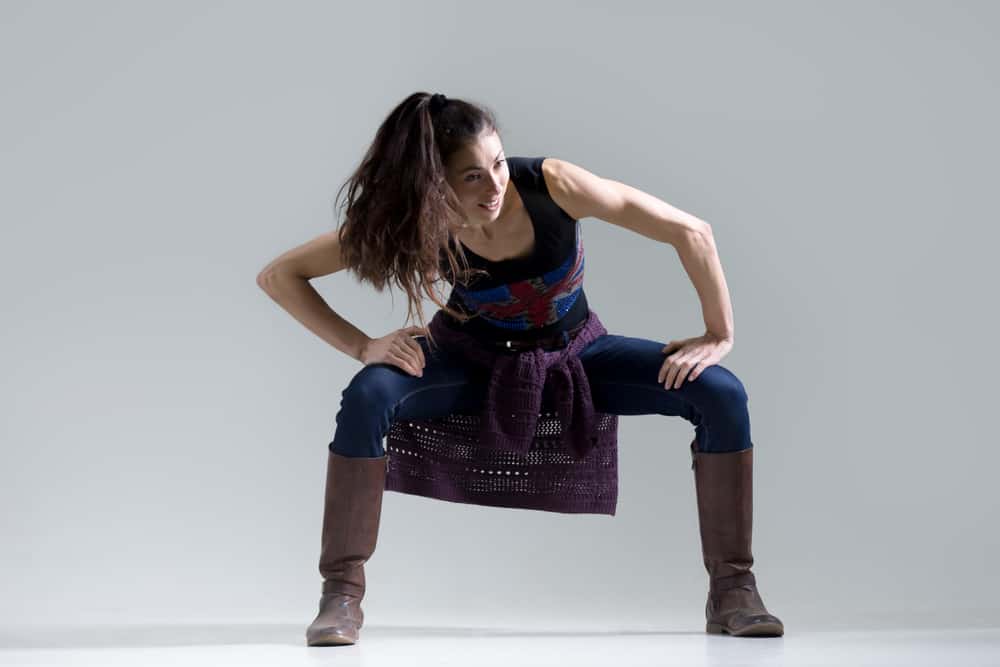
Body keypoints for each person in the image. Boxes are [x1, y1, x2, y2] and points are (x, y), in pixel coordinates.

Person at [256, 91, 785, 646]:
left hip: (574, 355)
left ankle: (734, 592)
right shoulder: (415, 220)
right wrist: (363, 345)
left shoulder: (554, 184)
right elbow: (280, 275)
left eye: (499, 164)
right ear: (434, 183)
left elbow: (691, 231)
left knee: (721, 393)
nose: (494, 186)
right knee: (368, 396)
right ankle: (340, 595)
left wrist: (719, 333)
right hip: (468, 362)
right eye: (471, 177)